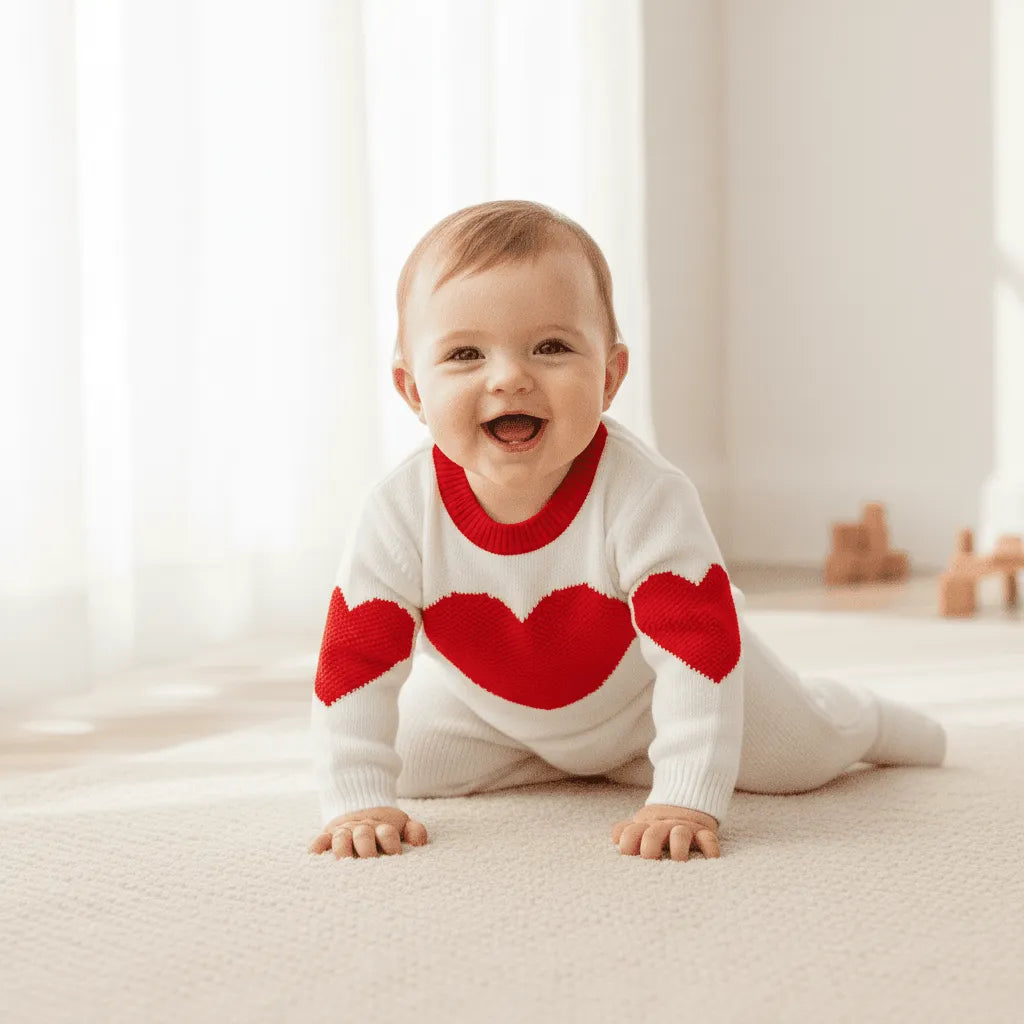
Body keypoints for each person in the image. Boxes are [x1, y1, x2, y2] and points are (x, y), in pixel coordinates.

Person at [307, 199, 946, 863]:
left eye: (551, 347)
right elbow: (354, 664)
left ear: (609, 376)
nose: (509, 377)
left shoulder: (644, 494)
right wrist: (357, 799)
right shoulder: (399, 511)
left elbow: (696, 651)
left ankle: (856, 716)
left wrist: (685, 794)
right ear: (413, 391)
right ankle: (583, 761)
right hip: (502, 710)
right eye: (466, 354)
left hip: (653, 687)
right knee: (404, 765)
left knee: (796, 760)